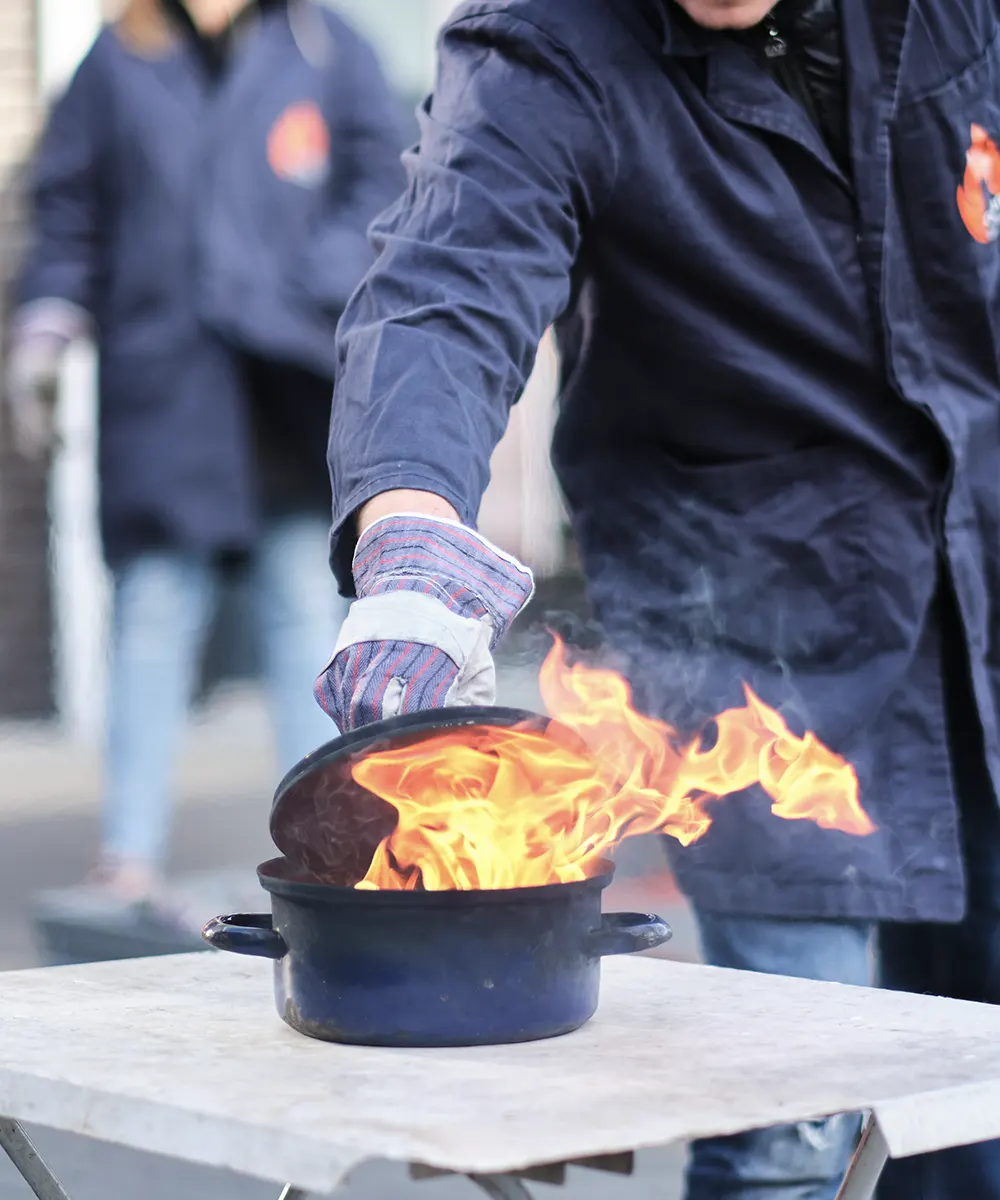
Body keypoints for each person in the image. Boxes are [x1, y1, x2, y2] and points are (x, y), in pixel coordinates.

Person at [311, 0, 1000, 1196]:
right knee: (795, 1124)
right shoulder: (544, 46)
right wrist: (409, 532)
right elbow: (442, 287)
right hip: (757, 637)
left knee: (978, 1104)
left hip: (985, 596)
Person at [6, 0, 405, 910]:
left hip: (290, 386)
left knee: (302, 612)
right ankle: (128, 854)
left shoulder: (327, 49)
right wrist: (46, 327)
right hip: (170, 391)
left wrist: (303, 288)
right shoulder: (115, 61)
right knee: (151, 614)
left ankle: (324, 853)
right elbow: (70, 211)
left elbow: (381, 191)